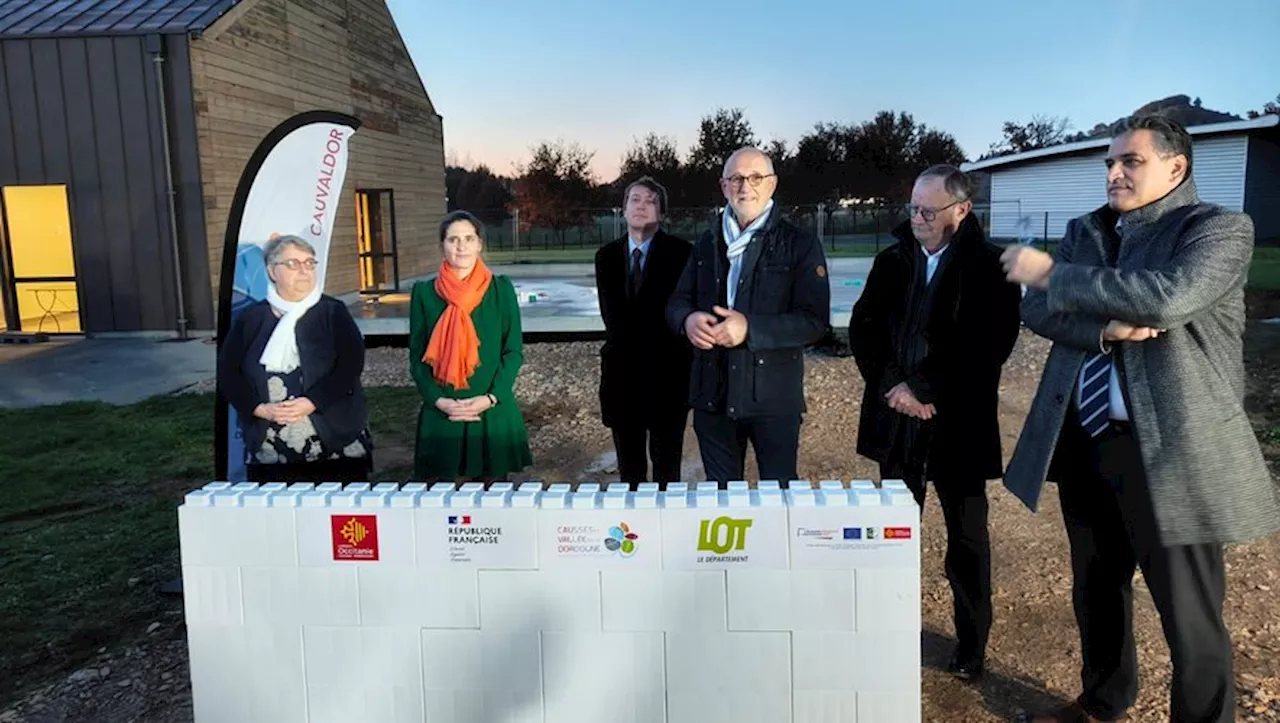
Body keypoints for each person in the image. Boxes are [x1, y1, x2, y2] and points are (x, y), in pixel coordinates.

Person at [1001, 114, 1280, 723]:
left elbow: (1166, 297)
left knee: (1189, 610)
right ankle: (1103, 700)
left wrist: (1052, 274)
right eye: (1110, 162)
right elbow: (1039, 315)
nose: (1115, 173)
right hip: (1089, 436)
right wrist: (1102, 327)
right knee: (1097, 590)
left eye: (1131, 161)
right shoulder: (1087, 230)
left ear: (1176, 167)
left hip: (1173, 449)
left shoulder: (1219, 230)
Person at [848, 164, 1022, 683]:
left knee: (966, 541)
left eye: (929, 210)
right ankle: (888, 630)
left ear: (961, 210)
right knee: (892, 536)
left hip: (957, 424)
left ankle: (971, 645)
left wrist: (925, 390)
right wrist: (894, 388)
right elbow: (865, 329)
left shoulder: (991, 266)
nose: (918, 218)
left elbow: (990, 344)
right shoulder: (892, 260)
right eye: (914, 208)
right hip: (896, 421)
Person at [666, 147, 830, 483]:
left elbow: (813, 321)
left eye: (756, 177)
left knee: (780, 495)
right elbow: (677, 301)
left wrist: (749, 329)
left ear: (772, 185)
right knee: (724, 501)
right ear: (724, 186)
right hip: (713, 397)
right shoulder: (706, 243)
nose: (746, 186)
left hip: (773, 400)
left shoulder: (799, 243)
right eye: (736, 178)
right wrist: (687, 320)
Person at [217, 234, 373, 482]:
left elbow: (350, 365)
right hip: (271, 442)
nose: (304, 270)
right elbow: (228, 373)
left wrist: (312, 402)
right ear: (271, 271)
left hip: (334, 438)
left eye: (309, 263)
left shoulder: (332, 312)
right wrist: (259, 409)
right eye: (293, 264)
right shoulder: (250, 319)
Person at [410, 210, 532, 483]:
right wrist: (440, 401)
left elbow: (512, 351)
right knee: (441, 508)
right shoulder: (424, 293)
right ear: (442, 246)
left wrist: (489, 398)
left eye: (468, 238)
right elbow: (417, 358)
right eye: (453, 239)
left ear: (479, 244)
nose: (461, 246)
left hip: (490, 413)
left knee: (492, 510)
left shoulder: (501, 290)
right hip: (443, 414)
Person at [595, 176, 693, 487]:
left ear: (661, 213)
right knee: (630, 473)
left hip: (668, 380)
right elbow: (614, 319)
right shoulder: (606, 257)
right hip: (622, 379)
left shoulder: (682, 254)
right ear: (623, 210)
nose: (642, 206)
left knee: (668, 470)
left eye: (651, 201)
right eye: (635, 200)